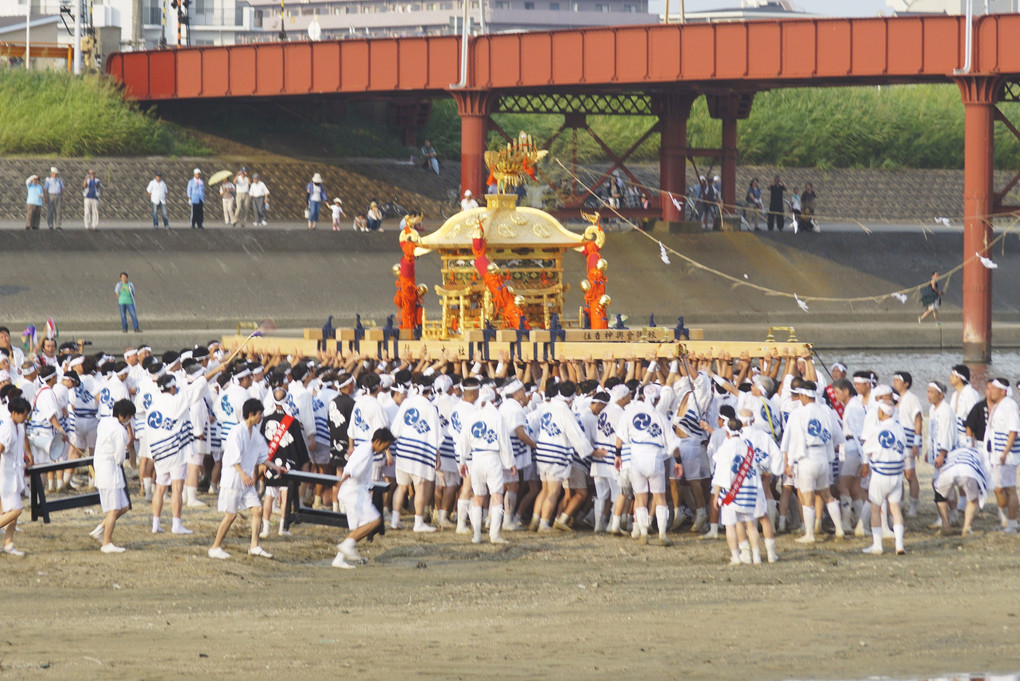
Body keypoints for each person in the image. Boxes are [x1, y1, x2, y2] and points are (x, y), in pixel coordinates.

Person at [209, 398, 284, 559]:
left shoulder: (255, 433)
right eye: (260, 414)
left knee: (257, 509)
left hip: (247, 480)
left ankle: (254, 546)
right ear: (251, 414)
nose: (261, 417)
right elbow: (232, 458)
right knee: (231, 515)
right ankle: (215, 547)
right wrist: (243, 474)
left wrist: (276, 467)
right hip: (234, 479)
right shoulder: (237, 431)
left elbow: (263, 456)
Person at [333, 428, 395, 569]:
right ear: (378, 441)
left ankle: (339, 558)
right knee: (375, 521)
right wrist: (340, 483)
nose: (385, 449)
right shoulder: (366, 452)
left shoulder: (365, 449)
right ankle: (346, 545)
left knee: (360, 526)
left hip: (356, 490)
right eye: (385, 446)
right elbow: (350, 470)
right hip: (353, 491)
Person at [860, 399, 907, 555]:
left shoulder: (877, 429)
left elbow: (866, 449)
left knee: (875, 508)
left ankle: (877, 545)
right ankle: (899, 545)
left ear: (881, 412)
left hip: (881, 474)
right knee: (895, 508)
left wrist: (865, 463)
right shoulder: (900, 429)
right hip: (896, 474)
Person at [88, 398, 135, 553]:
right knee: (114, 509)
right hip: (110, 471)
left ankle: (100, 529)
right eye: (129, 417)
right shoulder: (119, 430)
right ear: (124, 416)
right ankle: (106, 543)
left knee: (124, 506)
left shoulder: (105, 422)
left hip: (103, 468)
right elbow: (120, 457)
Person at [0, 397, 31, 556]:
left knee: (12, 512)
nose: (25, 418)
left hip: (16, 474)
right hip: (6, 475)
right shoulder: (7, 429)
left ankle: (8, 543)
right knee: (16, 510)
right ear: (14, 413)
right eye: (24, 415)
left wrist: (27, 456)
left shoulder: (19, 427)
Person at [44, 166, 64, 230]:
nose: (55, 175)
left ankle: (58, 225)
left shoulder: (59, 180)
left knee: (58, 211)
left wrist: (63, 196)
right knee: (50, 211)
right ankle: (50, 224)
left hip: (58, 195)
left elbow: (62, 189)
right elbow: (45, 189)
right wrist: (46, 197)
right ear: (51, 174)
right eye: (54, 173)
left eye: (56, 174)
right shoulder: (48, 180)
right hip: (51, 196)